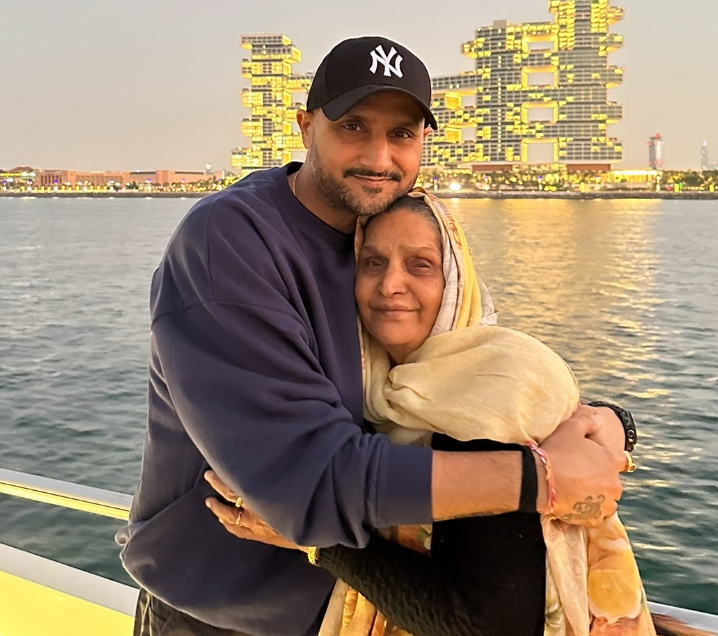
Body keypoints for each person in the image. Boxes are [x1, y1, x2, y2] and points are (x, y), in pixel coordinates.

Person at [117, 35, 630, 636]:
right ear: (306, 126)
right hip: (225, 614)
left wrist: (602, 420)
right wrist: (540, 479)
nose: (379, 156)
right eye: (354, 126)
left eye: (403, 134)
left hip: (357, 607)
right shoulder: (229, 245)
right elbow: (305, 481)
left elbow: (467, 372)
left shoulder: (384, 233)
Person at [205, 192, 653, 636]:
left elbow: (486, 621)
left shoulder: (487, 393)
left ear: (456, 281)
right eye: (372, 263)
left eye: (420, 264)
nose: (390, 284)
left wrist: (314, 540)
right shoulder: (378, 385)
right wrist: (615, 420)